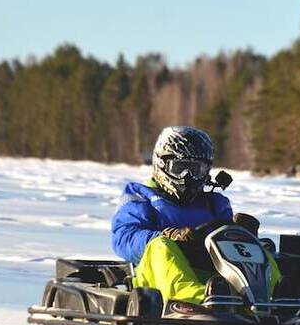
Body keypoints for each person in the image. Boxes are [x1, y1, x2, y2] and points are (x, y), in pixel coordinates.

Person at [111, 126, 274, 304]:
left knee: (259, 248)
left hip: (216, 280)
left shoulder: (214, 203)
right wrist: (167, 235)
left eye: (195, 170)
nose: (187, 177)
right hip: (155, 278)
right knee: (160, 245)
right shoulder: (141, 195)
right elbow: (123, 238)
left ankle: (276, 292)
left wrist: (243, 234)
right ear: (162, 164)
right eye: (180, 167)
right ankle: (194, 297)